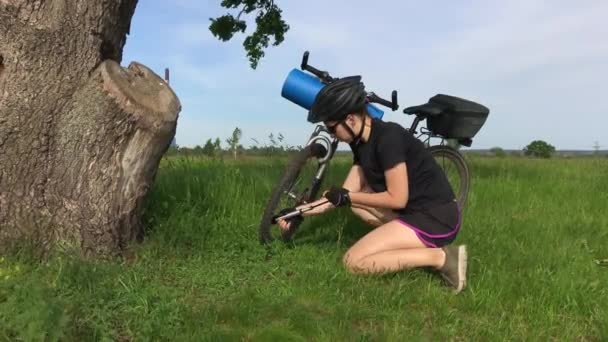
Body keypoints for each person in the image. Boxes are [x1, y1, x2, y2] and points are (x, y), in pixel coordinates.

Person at [277, 76, 467, 293]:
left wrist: (349, 197)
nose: (332, 135)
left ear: (350, 120)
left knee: (353, 262)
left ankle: (441, 257)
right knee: (356, 205)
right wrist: (298, 212)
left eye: (332, 128)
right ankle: (407, 243)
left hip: (437, 219)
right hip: (414, 213)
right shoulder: (362, 144)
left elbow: (396, 198)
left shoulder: (388, 138)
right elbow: (340, 196)